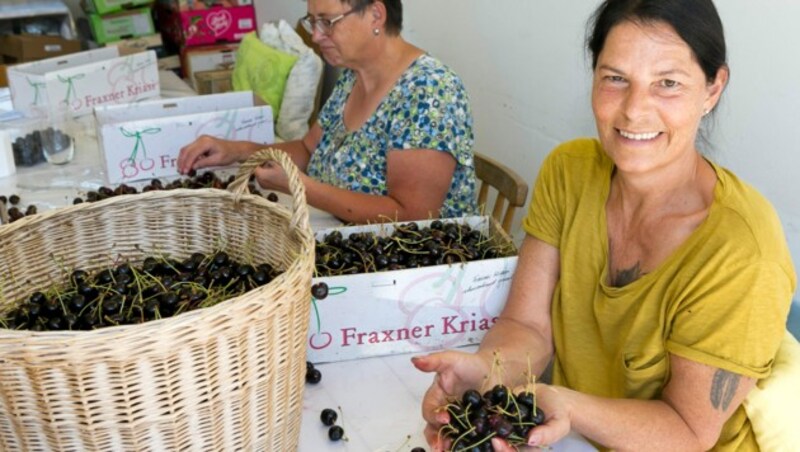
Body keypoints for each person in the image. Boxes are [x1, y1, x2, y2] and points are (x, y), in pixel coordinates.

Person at [412, 0, 796, 450]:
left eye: (668, 84)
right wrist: (486, 369)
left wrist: (569, 407)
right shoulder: (569, 171)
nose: (634, 111)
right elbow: (528, 326)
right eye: (615, 79)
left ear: (712, 89)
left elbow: (689, 431)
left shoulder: (744, 252)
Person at [177, 0, 477, 224]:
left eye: (328, 22)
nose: (317, 36)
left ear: (376, 14)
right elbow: (310, 150)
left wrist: (303, 188)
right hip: (338, 231)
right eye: (313, 22)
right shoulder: (353, 75)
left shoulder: (429, 90)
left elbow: (413, 216)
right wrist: (238, 151)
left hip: (408, 268)